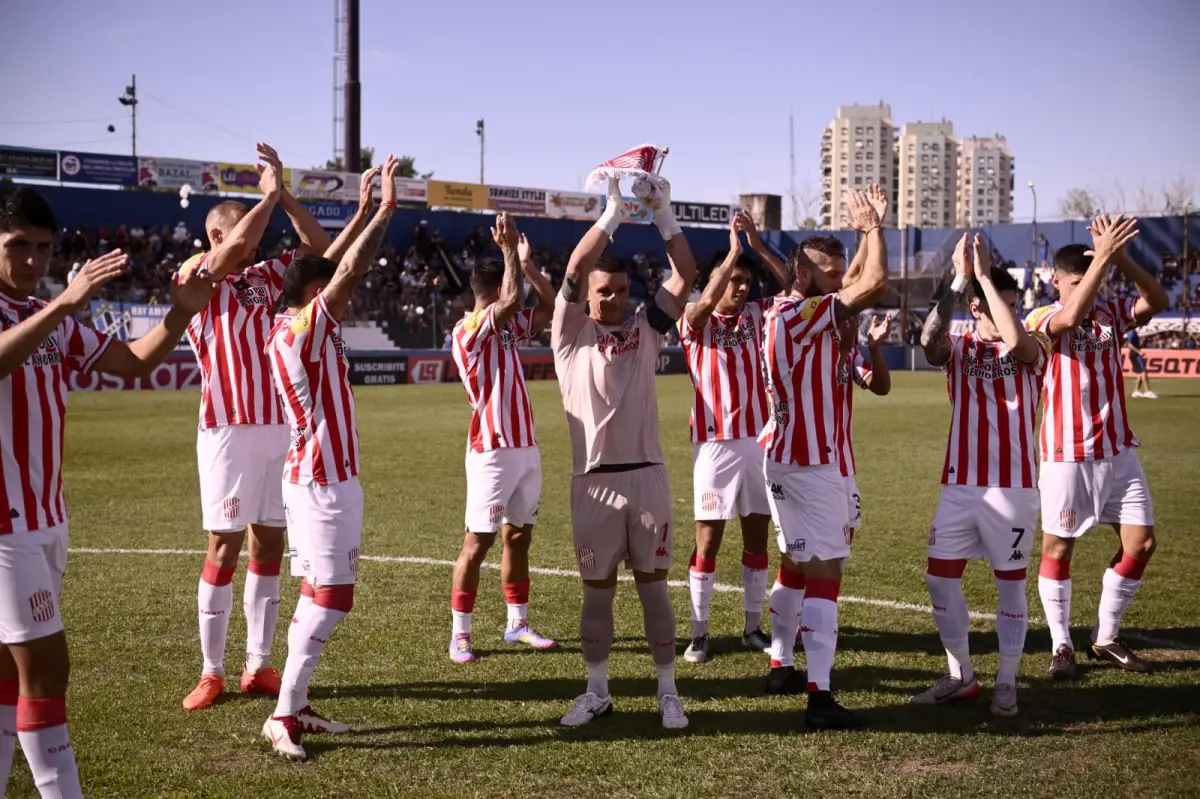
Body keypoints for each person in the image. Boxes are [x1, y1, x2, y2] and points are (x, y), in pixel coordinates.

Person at [0, 187, 216, 797]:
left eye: (43, 248)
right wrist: (64, 303)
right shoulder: (37, 313)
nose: (33, 261)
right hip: (3, 525)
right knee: (47, 671)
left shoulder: (49, 317)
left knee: (7, 680)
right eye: (18, 247)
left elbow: (131, 362)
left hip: (45, 520)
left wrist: (181, 314)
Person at [179, 143, 351, 711]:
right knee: (223, 546)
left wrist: (287, 198)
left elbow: (319, 250)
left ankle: (258, 665)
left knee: (269, 544)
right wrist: (267, 198)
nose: (254, 241)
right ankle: (211, 671)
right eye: (242, 232)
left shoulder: (268, 274)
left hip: (279, 427)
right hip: (227, 430)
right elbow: (237, 249)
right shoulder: (197, 277)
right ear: (215, 238)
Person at [259, 154, 401, 760]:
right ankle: (283, 713)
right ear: (315, 295)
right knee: (333, 598)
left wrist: (364, 207)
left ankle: (298, 703)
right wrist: (387, 212)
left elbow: (332, 265)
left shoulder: (288, 325)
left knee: (316, 593)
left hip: (321, 477)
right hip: (321, 480)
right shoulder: (302, 329)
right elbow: (349, 268)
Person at [552, 174, 696, 730]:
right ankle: (597, 692)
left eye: (619, 291)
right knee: (597, 595)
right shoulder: (569, 335)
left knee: (655, 592)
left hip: (647, 480)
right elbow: (572, 266)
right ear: (587, 297)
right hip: (592, 483)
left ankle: (667, 692)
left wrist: (661, 212)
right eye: (602, 291)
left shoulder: (647, 328)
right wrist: (613, 213)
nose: (613, 299)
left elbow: (687, 274)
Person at [758, 188, 887, 730]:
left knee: (795, 563)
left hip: (801, 460)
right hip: (811, 466)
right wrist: (874, 229)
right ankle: (821, 694)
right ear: (805, 276)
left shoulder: (802, 316)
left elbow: (852, 282)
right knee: (827, 573)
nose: (841, 280)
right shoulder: (798, 315)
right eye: (829, 274)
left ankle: (780, 663)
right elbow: (872, 282)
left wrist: (858, 242)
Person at [1025, 215, 1169, 678]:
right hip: (1066, 454)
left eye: (1092, 279)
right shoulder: (1041, 315)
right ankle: (1061, 644)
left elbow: (1158, 300)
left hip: (1118, 451)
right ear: (1056, 281)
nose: (1087, 287)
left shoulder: (1112, 312)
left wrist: (1119, 258)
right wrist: (1100, 259)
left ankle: (1105, 637)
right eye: (1077, 280)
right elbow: (1068, 317)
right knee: (1059, 548)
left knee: (1141, 543)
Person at [914, 234, 1051, 717]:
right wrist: (959, 279)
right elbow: (927, 342)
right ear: (975, 308)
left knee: (1010, 584)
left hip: (1013, 486)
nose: (1010, 314)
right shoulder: (960, 347)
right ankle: (962, 675)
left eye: (1014, 305)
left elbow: (1016, 339)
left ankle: (1007, 681)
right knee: (938, 578)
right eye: (997, 305)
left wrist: (986, 277)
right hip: (960, 485)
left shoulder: (1033, 344)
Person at [677, 211, 790, 664]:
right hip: (714, 444)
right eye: (733, 280)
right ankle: (699, 632)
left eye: (745, 281)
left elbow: (794, 289)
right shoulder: (694, 320)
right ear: (716, 283)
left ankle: (751, 627)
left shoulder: (759, 316)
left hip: (757, 443)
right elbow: (700, 307)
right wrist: (731, 253)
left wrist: (758, 247)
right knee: (708, 540)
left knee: (757, 539)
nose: (741, 288)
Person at [447, 217, 557, 663]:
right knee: (477, 544)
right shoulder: (468, 329)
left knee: (519, 538)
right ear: (494, 294)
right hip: (492, 451)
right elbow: (513, 300)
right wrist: (511, 249)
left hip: (525, 447)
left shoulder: (507, 326)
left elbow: (551, 308)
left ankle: (518, 623)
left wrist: (527, 267)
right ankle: (460, 634)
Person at [1125, 327, 1155, 398]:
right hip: (1136, 355)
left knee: (1139, 373)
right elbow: (1129, 345)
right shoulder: (1132, 332)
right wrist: (1139, 352)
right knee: (1143, 371)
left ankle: (1136, 391)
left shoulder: (1133, 332)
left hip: (1134, 354)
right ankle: (1148, 391)